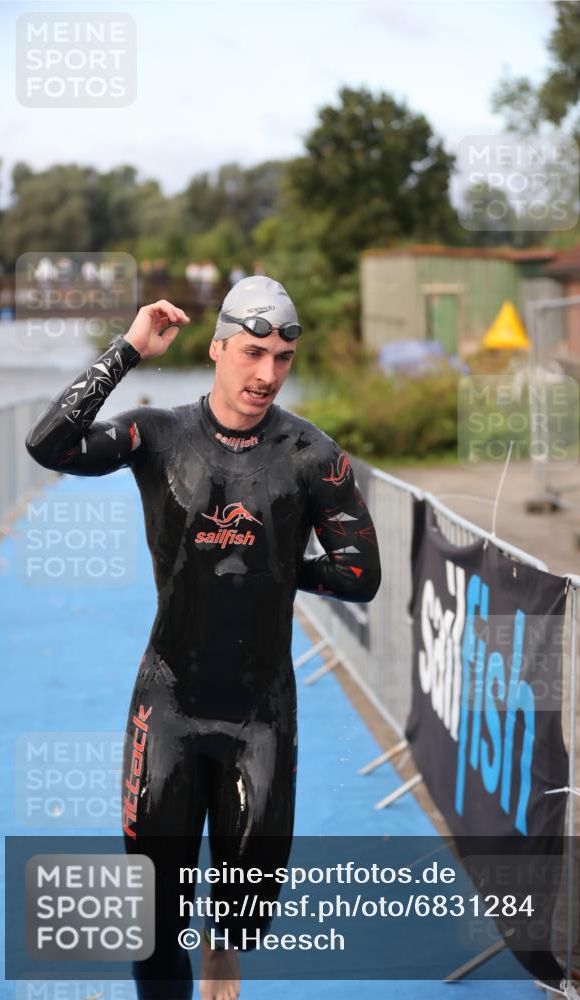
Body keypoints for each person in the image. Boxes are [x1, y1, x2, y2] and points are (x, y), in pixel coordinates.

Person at [25, 276, 381, 1000]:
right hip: (169, 703)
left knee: (246, 913)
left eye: (282, 358)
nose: (266, 374)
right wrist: (128, 349)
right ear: (217, 348)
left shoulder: (310, 454)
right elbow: (48, 444)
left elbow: (359, 573)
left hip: (260, 714)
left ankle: (223, 944)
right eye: (251, 352)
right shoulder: (157, 435)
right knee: (153, 922)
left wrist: (272, 570)